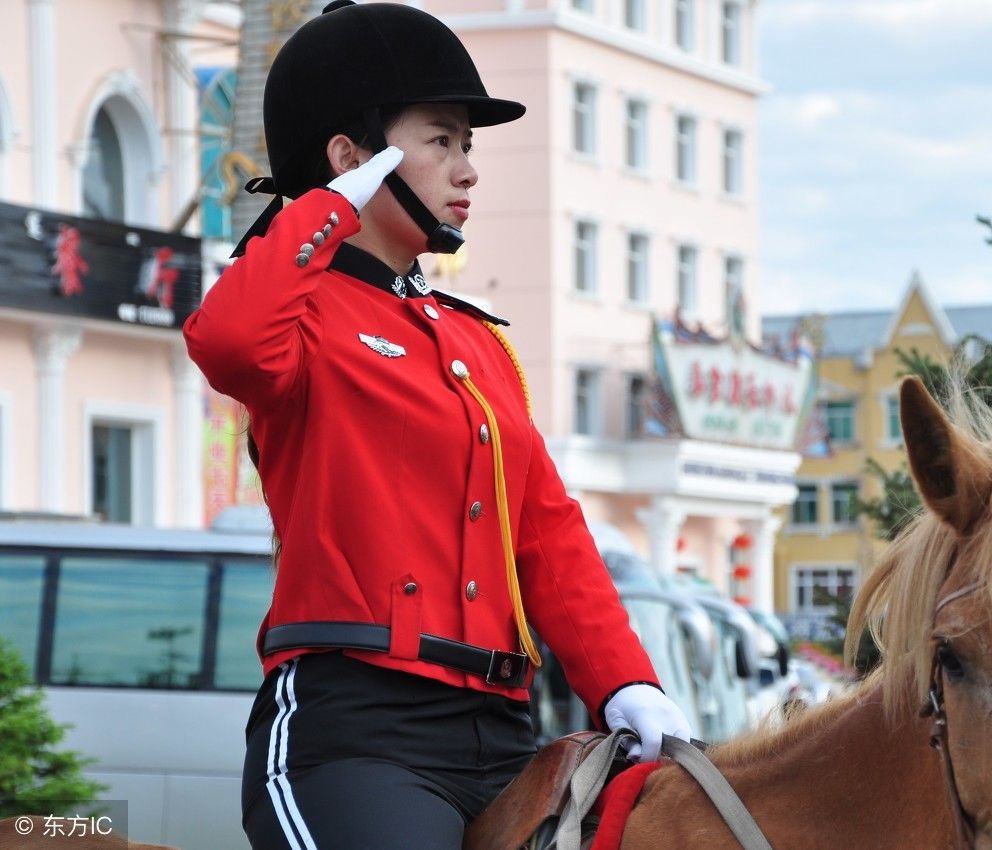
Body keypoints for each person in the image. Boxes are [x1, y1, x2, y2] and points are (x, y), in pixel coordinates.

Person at [182, 3, 691, 848]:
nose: (468, 168)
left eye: (469, 145)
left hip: (505, 732)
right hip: (356, 737)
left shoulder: (473, 338)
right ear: (353, 159)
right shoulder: (296, 310)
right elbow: (228, 343)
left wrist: (626, 684)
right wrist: (327, 208)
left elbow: (549, 534)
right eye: (442, 140)